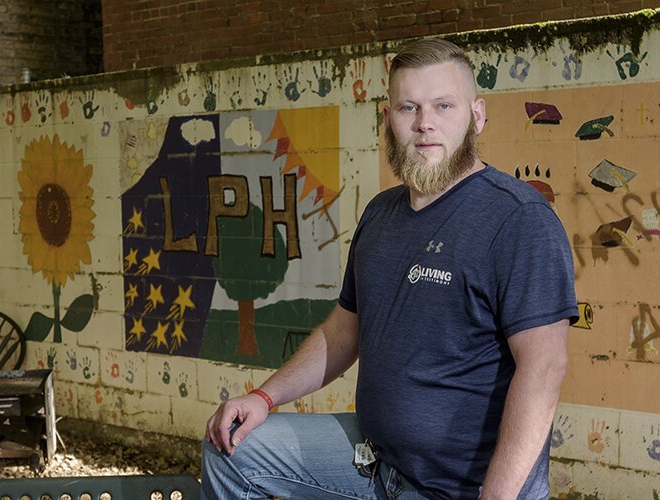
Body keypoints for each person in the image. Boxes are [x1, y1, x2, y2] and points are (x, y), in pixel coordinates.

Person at [201, 38, 577, 499]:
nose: (425, 124)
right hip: (375, 462)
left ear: (477, 115)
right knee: (233, 447)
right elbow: (344, 330)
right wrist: (263, 398)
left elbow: (544, 367)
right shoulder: (381, 213)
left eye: (443, 105)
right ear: (388, 119)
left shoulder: (518, 219)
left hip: (457, 488)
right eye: (408, 108)